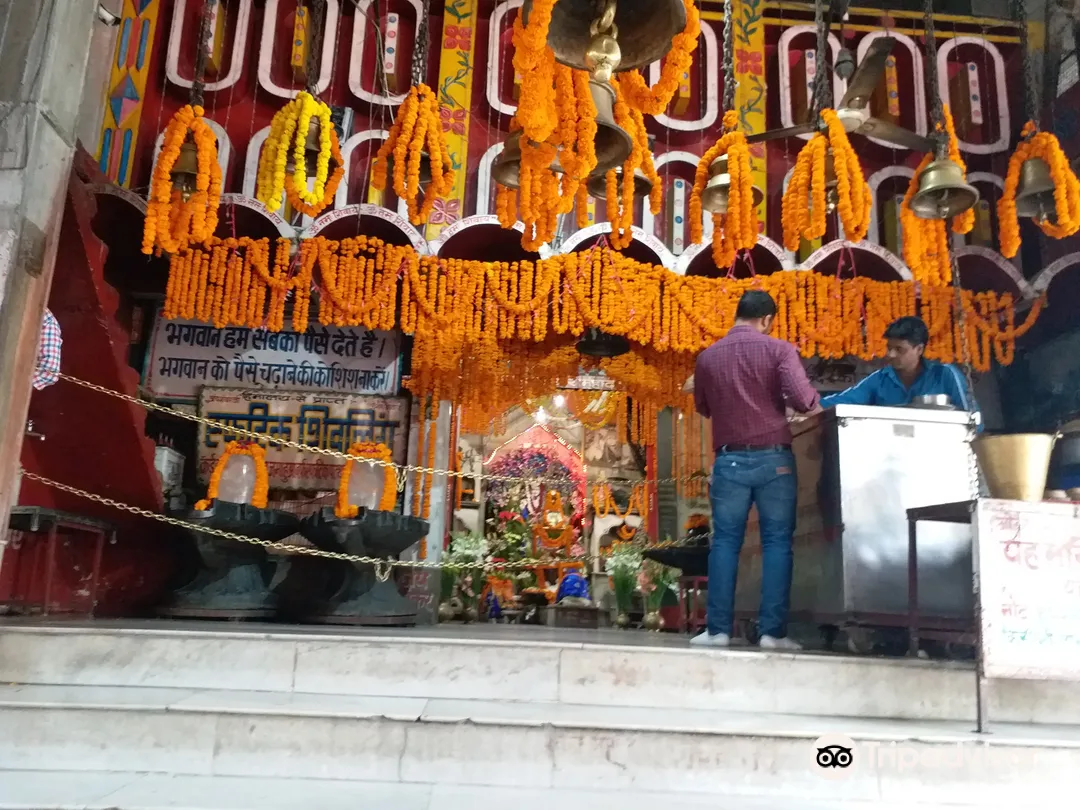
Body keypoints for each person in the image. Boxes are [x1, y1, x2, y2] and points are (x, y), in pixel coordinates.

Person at [691, 289, 821, 650]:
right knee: (777, 542)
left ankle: (717, 631)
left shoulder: (707, 357)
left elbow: (704, 406)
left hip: (729, 461)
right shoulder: (779, 350)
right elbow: (805, 401)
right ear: (766, 320)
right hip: (774, 461)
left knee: (725, 544)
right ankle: (771, 633)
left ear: (738, 314)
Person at [821, 316, 979, 422]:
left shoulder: (945, 374)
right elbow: (842, 401)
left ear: (919, 349)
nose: (890, 354)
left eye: (899, 349)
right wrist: (804, 404)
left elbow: (973, 420)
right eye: (889, 348)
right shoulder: (879, 380)